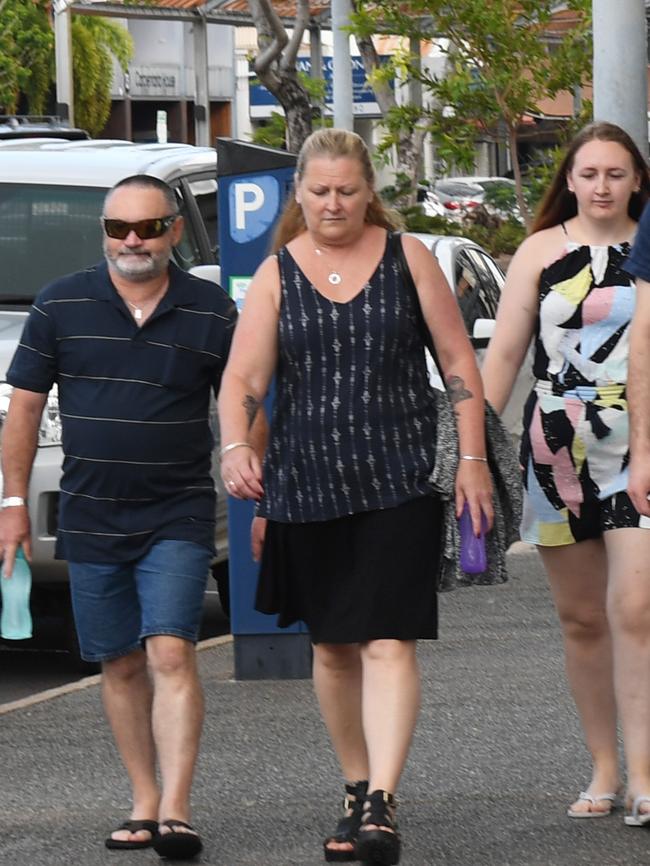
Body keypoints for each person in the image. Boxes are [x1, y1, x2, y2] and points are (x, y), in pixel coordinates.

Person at [217, 128, 493, 864]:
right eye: (319, 192)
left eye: (346, 191)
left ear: (369, 192)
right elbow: (244, 380)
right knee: (333, 647)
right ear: (298, 195)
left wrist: (470, 460)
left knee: (388, 638)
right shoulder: (278, 273)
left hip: (399, 479)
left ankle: (382, 803)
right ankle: (354, 783)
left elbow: (459, 361)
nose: (333, 204)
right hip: (307, 483)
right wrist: (239, 446)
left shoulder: (409, 260)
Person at [0, 175, 242, 859]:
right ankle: (141, 798)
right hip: (91, 511)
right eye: (118, 229)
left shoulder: (209, 308)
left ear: (173, 230)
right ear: (103, 233)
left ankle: (176, 809)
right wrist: (13, 505)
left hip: (178, 510)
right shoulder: (60, 303)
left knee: (170, 648)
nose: (132, 241)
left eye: (146, 228)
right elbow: (22, 410)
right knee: (119, 662)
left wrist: (247, 460)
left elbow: (240, 397)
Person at [481, 122, 650, 825]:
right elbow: (505, 357)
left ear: (637, 179)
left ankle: (644, 774)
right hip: (556, 447)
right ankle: (604, 769)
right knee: (581, 619)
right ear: (570, 180)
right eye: (589, 174)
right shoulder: (540, 252)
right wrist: (473, 451)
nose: (602, 186)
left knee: (636, 610)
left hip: (638, 445)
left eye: (615, 173)